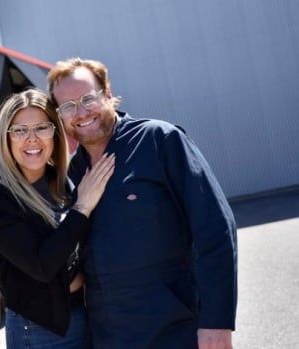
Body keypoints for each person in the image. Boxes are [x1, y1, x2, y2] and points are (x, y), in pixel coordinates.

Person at [48, 57, 238, 349]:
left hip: (177, 330)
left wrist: (217, 321)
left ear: (108, 94)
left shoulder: (160, 141)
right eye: (68, 106)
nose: (81, 112)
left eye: (88, 98)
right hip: (110, 337)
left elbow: (215, 230)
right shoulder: (72, 174)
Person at [0, 88, 115, 348]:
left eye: (41, 128)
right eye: (19, 130)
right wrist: (82, 208)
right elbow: (41, 266)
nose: (32, 139)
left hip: (86, 314)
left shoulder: (62, 183)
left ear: (54, 134)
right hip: (40, 329)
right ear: (5, 139)